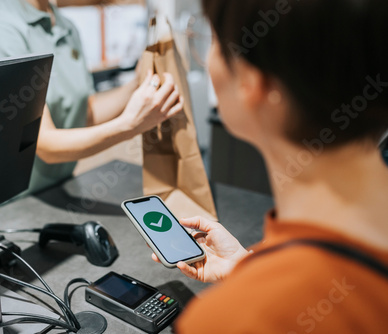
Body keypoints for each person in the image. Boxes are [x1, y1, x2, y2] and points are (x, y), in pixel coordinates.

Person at [152, 0, 388, 333]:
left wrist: (258, 286)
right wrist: (248, 268)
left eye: (214, 41)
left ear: (252, 82)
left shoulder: (226, 322)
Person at [0, 0, 183, 194]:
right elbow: (44, 145)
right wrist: (130, 125)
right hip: (14, 204)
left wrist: (136, 84)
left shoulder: (66, 27)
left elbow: (84, 113)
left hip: (61, 188)